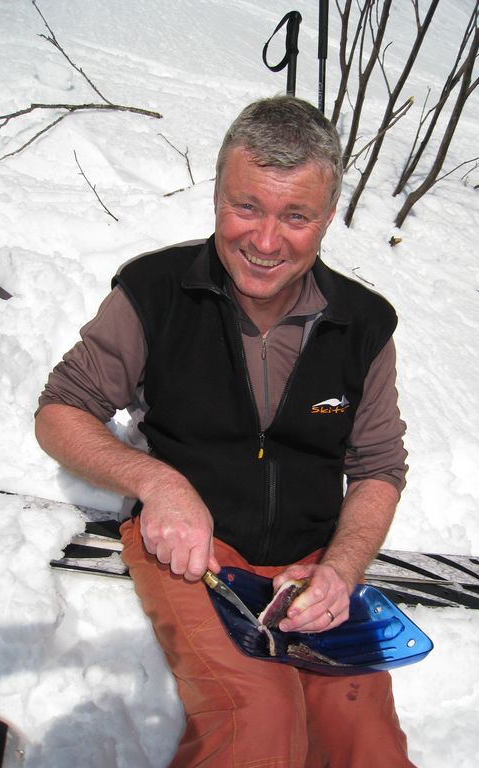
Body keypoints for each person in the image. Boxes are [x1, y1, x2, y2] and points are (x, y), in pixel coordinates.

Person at [35, 95, 414, 768]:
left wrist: (339, 569)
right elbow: (61, 411)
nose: (265, 242)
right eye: (247, 207)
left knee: (370, 746)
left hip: (308, 572)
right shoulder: (156, 291)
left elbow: (379, 466)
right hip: (195, 558)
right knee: (259, 721)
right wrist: (158, 481)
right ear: (216, 195)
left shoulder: (363, 324)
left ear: (327, 218)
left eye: (295, 216)